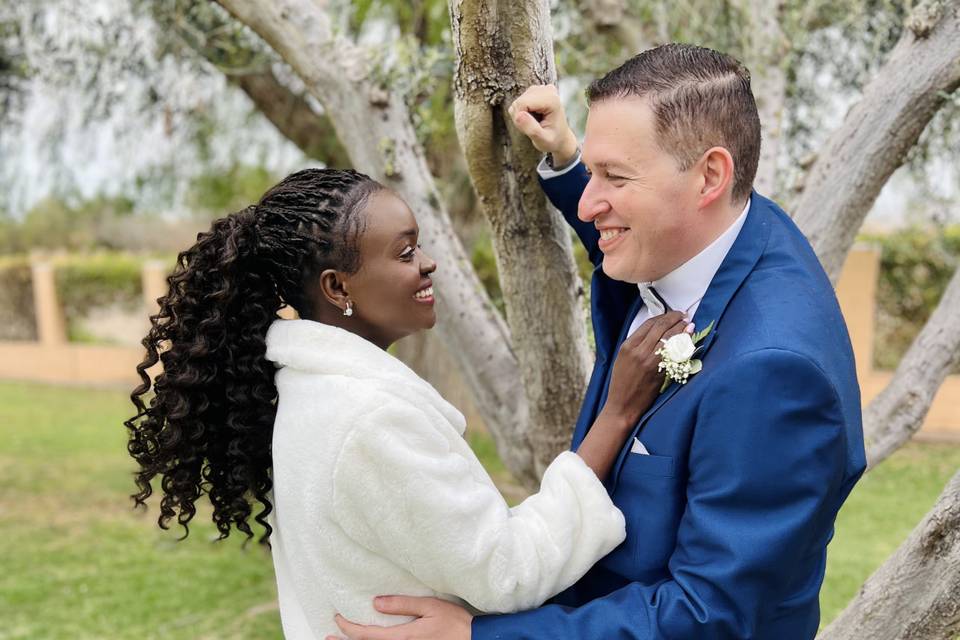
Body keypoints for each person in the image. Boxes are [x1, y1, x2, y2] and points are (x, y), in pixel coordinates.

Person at [332, 44, 866, 640]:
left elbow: (710, 616)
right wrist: (566, 158)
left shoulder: (773, 375)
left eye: (614, 175)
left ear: (710, 176)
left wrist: (475, 637)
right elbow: (636, 235)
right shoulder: (726, 230)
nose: (591, 201)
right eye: (595, 168)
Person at [124, 168, 689, 639]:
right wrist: (616, 414)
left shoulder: (313, 390)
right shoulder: (371, 418)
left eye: (417, 244)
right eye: (404, 252)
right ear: (337, 288)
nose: (428, 263)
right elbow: (508, 571)